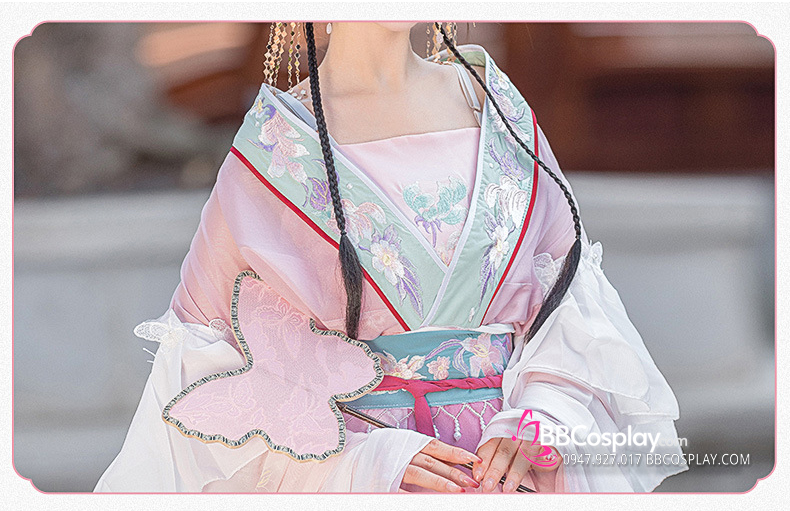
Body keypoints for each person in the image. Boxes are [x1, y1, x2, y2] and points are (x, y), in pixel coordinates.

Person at [94, 22, 688, 493]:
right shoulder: (274, 149)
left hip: (509, 476)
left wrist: (540, 420)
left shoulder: (497, 107)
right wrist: (369, 462)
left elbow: (573, 304)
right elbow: (209, 379)